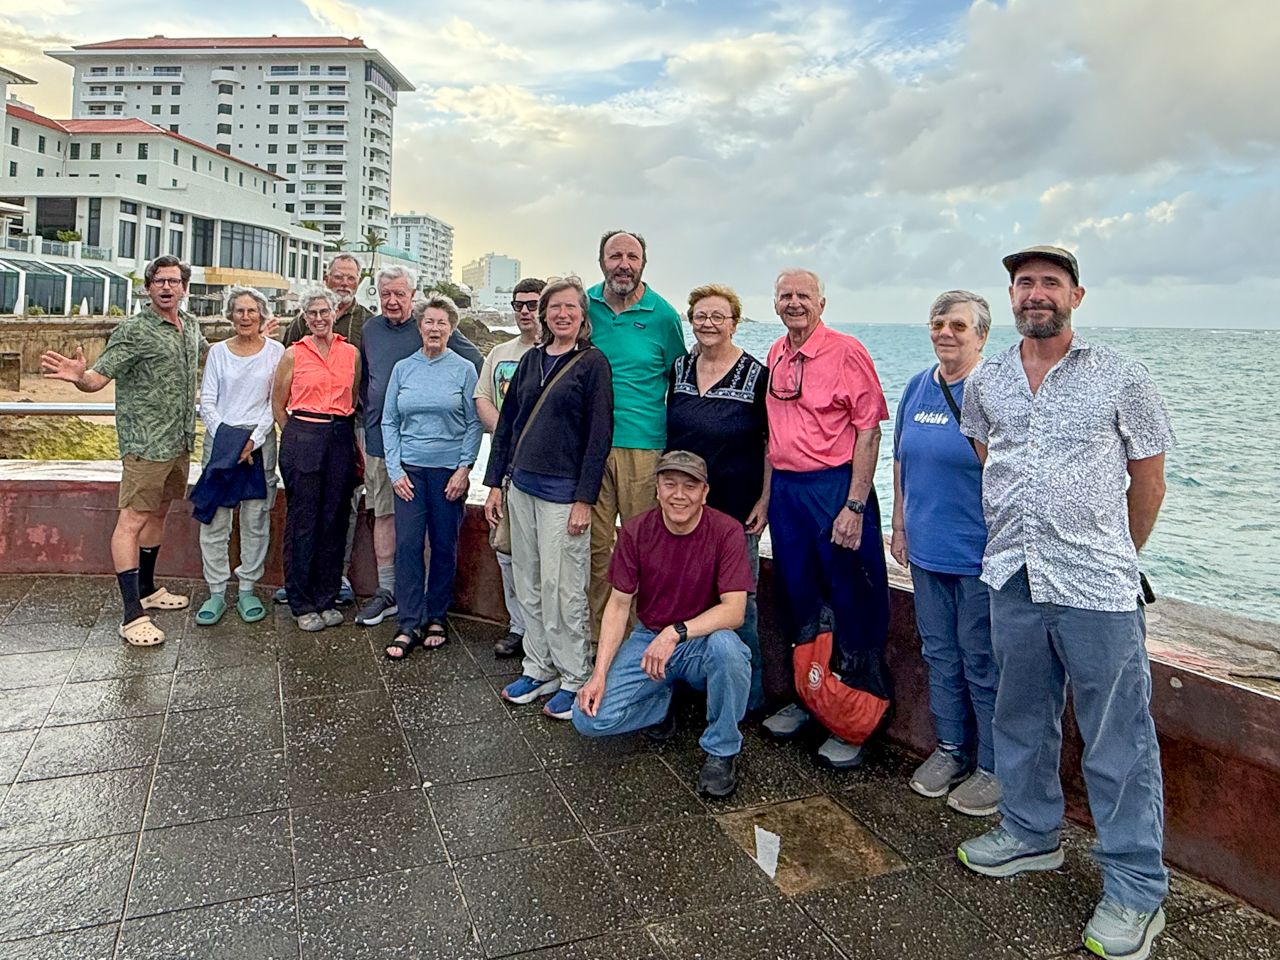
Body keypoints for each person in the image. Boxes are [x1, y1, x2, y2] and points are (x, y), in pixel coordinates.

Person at [957, 247, 1173, 960]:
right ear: (1012, 297)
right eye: (1025, 283)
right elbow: (993, 463)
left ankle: (1137, 890)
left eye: (1051, 282)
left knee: (1119, 738)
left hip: (1098, 588)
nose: (1036, 293)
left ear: (1076, 295)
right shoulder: (986, 381)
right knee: (1020, 714)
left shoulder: (1121, 376)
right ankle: (1029, 832)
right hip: (1013, 575)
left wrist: (1115, 552)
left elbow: (1149, 482)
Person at [760, 268, 892, 770]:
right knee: (799, 597)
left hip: (834, 487)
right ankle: (810, 696)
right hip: (789, 493)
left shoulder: (846, 351)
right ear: (775, 303)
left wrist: (854, 506)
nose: (794, 303)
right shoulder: (776, 353)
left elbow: (869, 432)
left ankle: (854, 718)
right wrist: (768, 498)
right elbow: (775, 436)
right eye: (785, 296)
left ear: (821, 303)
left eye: (803, 296)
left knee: (851, 600)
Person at [40, 255, 204, 646]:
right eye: (159, 281)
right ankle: (132, 614)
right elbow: (98, 378)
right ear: (148, 288)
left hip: (179, 441)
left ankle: (148, 589)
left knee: (158, 512)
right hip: (145, 443)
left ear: (184, 287)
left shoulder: (192, 327)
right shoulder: (133, 330)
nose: (167, 287)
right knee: (131, 520)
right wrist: (80, 378)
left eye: (174, 281)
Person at [573, 451, 754, 798]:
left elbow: (734, 611)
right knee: (588, 719)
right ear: (656, 489)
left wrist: (677, 632)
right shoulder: (636, 531)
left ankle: (722, 750)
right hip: (648, 637)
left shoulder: (726, 531)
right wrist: (598, 675)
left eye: (690, 486)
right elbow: (618, 604)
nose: (679, 495)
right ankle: (661, 704)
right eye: (669, 484)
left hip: (701, 640)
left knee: (730, 650)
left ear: (705, 492)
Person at [890, 290, 999, 816]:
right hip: (927, 552)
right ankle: (951, 749)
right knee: (940, 654)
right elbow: (901, 462)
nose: (945, 332)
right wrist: (900, 526)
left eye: (958, 324)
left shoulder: (990, 391)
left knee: (982, 659)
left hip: (979, 556)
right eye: (938, 322)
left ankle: (994, 767)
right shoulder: (917, 386)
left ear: (981, 335)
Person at [483, 277, 613, 719]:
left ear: (582, 315)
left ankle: (575, 674)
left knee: (565, 588)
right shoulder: (532, 360)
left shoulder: (592, 364)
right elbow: (507, 427)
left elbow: (599, 438)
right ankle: (539, 667)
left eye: (570, 308)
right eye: (554, 308)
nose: (562, 314)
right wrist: (494, 484)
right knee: (529, 582)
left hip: (564, 497)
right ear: (544, 315)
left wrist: (584, 499)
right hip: (521, 488)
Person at [355, 267, 483, 628]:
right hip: (386, 447)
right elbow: (365, 382)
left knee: (436, 538)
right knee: (387, 520)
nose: (392, 301)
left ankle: (432, 608)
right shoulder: (371, 330)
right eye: (385, 294)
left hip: (438, 461)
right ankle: (392, 598)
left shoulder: (439, 336)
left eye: (399, 294)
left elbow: (476, 369)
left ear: (413, 296)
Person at [665, 283, 769, 712]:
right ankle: (692, 685)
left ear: (734, 322)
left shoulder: (757, 374)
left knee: (739, 606)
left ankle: (748, 696)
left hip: (736, 508)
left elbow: (770, 443)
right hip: (682, 508)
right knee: (685, 595)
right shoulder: (679, 368)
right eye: (701, 316)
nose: (708, 324)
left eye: (718, 317)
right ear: (691, 321)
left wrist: (765, 499)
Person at [585, 230, 687, 638]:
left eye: (632, 256)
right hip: (590, 446)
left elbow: (679, 382)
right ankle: (599, 640)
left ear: (643, 263)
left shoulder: (662, 315)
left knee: (643, 548)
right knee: (594, 549)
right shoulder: (585, 304)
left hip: (644, 447)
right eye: (615, 256)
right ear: (601, 261)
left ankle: (642, 641)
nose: (623, 264)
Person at [382, 296, 481, 658]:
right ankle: (408, 622)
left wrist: (464, 468)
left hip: (448, 474)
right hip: (409, 472)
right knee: (407, 545)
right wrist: (395, 470)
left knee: (443, 545)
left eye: (442, 323)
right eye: (429, 322)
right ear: (419, 326)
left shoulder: (465, 369)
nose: (435, 329)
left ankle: (437, 616)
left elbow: (474, 424)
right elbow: (389, 421)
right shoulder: (403, 369)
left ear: (451, 329)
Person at [276, 252, 372, 606]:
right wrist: (298, 433)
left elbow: (359, 383)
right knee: (303, 512)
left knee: (338, 511)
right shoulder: (299, 332)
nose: (344, 283)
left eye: (351, 277)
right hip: (305, 432)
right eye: (338, 276)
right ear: (327, 278)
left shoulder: (365, 325)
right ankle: (299, 587)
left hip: (347, 430)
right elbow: (279, 393)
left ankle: (333, 583)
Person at [194, 286, 284, 626]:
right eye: (239, 311)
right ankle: (216, 590)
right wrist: (231, 442)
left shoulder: (276, 352)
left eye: (252, 311)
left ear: (262, 315)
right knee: (215, 518)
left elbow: (273, 402)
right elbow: (208, 402)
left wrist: (253, 439)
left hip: (259, 443)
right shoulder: (218, 352)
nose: (245, 317)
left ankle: (247, 587)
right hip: (221, 442)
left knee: (255, 519)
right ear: (230, 315)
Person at [475, 277, 545, 658]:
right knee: (505, 550)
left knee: (543, 554)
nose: (524, 311)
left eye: (532, 304)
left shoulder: (560, 354)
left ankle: (542, 631)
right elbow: (483, 398)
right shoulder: (499, 353)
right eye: (519, 304)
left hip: (545, 470)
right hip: (504, 467)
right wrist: (508, 432)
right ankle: (518, 626)